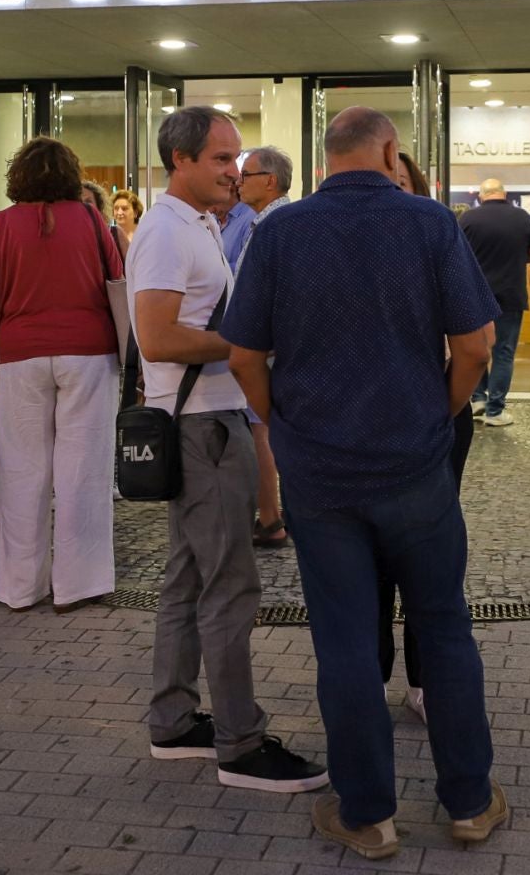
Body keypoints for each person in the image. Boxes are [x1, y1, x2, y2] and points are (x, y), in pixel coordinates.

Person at [224, 108, 507, 861]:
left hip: (320, 475)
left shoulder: (280, 231)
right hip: (416, 469)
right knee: (443, 625)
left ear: (324, 158)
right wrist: (439, 412)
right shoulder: (429, 223)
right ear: (389, 151)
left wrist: (279, 423)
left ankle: (369, 815)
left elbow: (243, 352)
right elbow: (476, 345)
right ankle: (471, 803)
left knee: (345, 640)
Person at [129, 106, 327, 793]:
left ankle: (175, 719)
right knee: (229, 584)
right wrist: (250, 347)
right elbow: (157, 338)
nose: (234, 171)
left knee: (189, 575)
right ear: (179, 160)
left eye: (237, 160)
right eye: (220, 159)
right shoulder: (163, 231)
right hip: (201, 426)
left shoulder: (200, 225)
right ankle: (241, 745)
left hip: (212, 419)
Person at [0, 137, 124, 614]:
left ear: (17, 176)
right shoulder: (90, 219)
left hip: (21, 354)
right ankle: (78, 586)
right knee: (84, 469)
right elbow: (116, 284)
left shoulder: (0, 224)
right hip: (88, 351)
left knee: (21, 470)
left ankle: (20, 587)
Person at [380, 147, 484, 725]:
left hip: (435, 415)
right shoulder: (342, 244)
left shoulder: (440, 238)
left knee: (429, 553)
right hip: (370, 417)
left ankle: (424, 680)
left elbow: (477, 340)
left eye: (398, 184)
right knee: (370, 558)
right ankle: (374, 675)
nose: (389, 196)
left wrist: (443, 410)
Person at [235, 146, 295, 550]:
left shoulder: (276, 225)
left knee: (267, 432)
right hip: (269, 350)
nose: (238, 182)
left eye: (247, 175)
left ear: (269, 181)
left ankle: (274, 516)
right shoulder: (267, 222)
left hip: (268, 354)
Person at [458, 179, 530, 427]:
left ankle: (477, 399)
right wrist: (517, 256)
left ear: (482, 195)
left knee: (477, 347)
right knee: (503, 352)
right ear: (504, 194)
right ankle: (495, 411)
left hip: (475, 294)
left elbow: (457, 254)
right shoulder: (521, 217)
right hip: (510, 293)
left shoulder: (468, 218)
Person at [216, 173, 257, 267]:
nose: (210, 208)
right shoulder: (212, 218)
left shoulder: (251, 219)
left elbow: (249, 266)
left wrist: (211, 271)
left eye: (213, 197)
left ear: (231, 190)